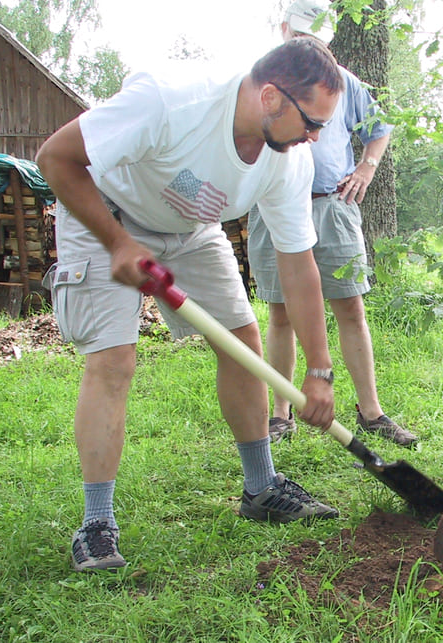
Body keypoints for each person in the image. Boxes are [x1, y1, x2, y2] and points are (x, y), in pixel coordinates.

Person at [36, 38, 346, 572]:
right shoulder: (172, 100)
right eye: (312, 122)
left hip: (189, 227)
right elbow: (55, 159)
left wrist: (319, 371)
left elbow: (298, 265)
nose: (316, 137)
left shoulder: (288, 158)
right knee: (114, 359)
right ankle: (97, 522)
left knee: (242, 341)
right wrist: (116, 243)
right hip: (105, 211)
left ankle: (260, 487)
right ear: (271, 97)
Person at [249, 0, 417, 447]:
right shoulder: (260, 83)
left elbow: (379, 129)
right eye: (300, 34)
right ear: (284, 30)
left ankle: (372, 413)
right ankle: (280, 415)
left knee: (351, 308)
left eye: (314, 38)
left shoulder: (344, 83)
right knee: (281, 313)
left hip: (332, 205)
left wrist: (367, 168)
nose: (306, 44)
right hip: (274, 207)